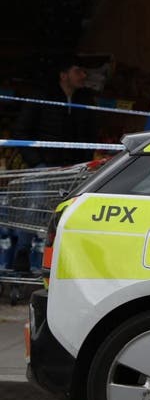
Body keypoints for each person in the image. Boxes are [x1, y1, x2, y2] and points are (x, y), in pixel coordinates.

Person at [10, 58, 98, 271]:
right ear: (63, 74)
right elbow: (20, 132)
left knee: (70, 215)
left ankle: (64, 263)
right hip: (44, 169)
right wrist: (38, 163)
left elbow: (89, 136)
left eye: (85, 72)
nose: (83, 76)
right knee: (33, 211)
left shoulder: (85, 101)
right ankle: (23, 254)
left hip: (74, 171)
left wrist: (86, 164)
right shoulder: (42, 97)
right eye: (78, 71)